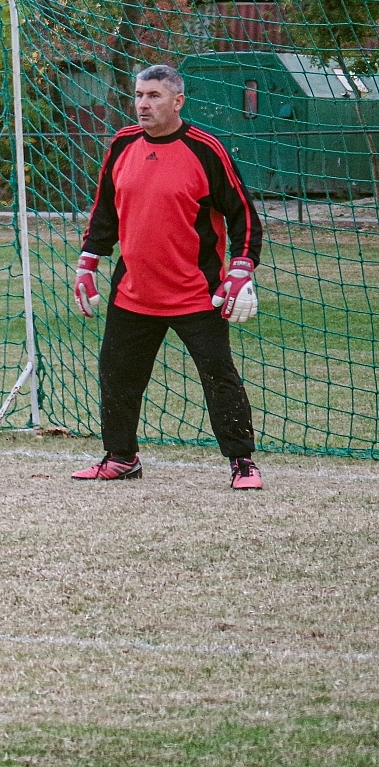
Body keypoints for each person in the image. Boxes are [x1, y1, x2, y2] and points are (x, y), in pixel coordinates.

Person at [71, 63, 264, 490]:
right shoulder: (122, 144)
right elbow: (105, 211)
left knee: (219, 377)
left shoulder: (205, 149)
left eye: (154, 96)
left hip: (196, 294)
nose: (143, 104)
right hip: (133, 292)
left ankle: (243, 463)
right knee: (117, 376)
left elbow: (244, 216)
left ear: (178, 102)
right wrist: (88, 262)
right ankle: (121, 458)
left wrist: (241, 267)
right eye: (139, 95)